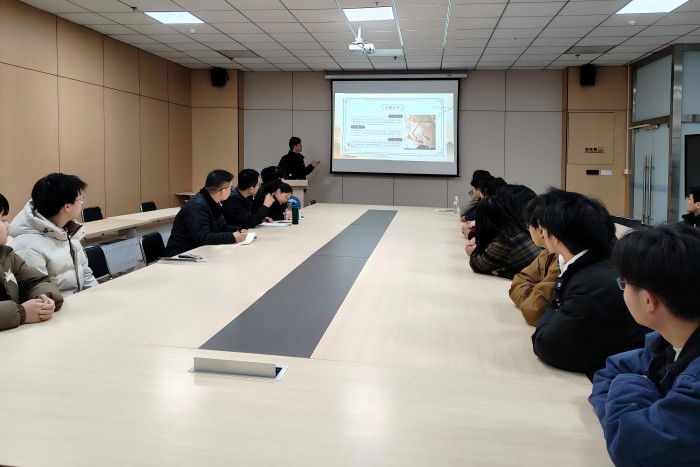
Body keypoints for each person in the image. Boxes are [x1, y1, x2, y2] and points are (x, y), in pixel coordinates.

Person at [589, 223, 700, 466]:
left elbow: (630, 448)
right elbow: (610, 371)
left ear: (649, 300)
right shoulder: (670, 341)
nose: (622, 289)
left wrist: (633, 386)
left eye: (624, 283)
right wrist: (628, 420)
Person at [530, 188, 648, 377]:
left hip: (613, 378)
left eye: (542, 228)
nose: (541, 233)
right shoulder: (609, 261)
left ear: (555, 236)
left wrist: (556, 303)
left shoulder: (587, 286)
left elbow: (547, 345)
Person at [9, 173, 98, 296]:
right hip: (58, 306)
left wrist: (98, 298)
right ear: (67, 206)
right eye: (80, 199)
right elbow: (41, 297)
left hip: (79, 301)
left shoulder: (69, 232)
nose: (82, 203)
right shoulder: (27, 248)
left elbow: (86, 274)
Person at [1, 194, 63, 331]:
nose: (8, 225)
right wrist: (22, 313)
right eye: (3, 220)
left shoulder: (7, 255)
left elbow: (36, 281)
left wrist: (44, 297)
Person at [165, 170, 247, 257]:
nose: (231, 190)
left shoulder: (212, 202)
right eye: (230, 188)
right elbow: (203, 237)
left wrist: (238, 230)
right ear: (223, 191)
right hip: (181, 255)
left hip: (197, 252)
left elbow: (221, 226)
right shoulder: (197, 206)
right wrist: (232, 237)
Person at [508, 195, 560, 326]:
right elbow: (519, 281)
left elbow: (536, 311)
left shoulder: (563, 258)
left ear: (541, 230)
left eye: (528, 224)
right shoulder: (547, 251)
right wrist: (533, 297)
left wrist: (533, 297)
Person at [466, 196, 540, 280]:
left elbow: (476, 265)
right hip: (537, 278)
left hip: (533, 282)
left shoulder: (503, 242)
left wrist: (475, 250)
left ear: (482, 220)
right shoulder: (516, 228)